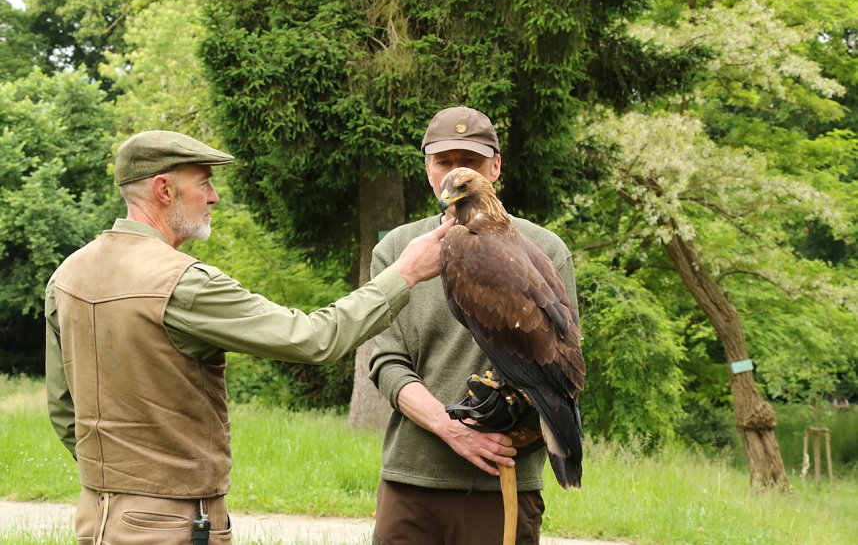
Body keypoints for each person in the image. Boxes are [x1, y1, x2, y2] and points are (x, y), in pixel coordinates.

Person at [45, 130, 453, 545]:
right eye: (204, 182)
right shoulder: (184, 284)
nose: (214, 197)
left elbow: (64, 410)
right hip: (172, 523)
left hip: (95, 517)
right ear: (163, 189)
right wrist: (405, 273)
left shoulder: (68, 275)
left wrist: (121, 482)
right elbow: (314, 339)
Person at [368, 106, 579, 544]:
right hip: (413, 480)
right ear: (427, 168)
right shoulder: (395, 249)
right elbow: (386, 361)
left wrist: (533, 423)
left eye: (471, 162)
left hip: (502, 482)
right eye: (444, 162)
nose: (454, 174)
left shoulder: (545, 248)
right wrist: (451, 429)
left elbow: (562, 368)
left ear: (495, 168)